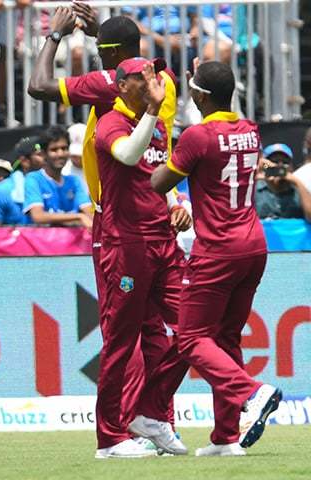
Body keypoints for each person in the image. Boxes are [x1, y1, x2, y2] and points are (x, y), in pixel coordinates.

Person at [28, 6, 185, 439]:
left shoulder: (107, 88)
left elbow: (37, 85)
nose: (99, 62)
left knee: (128, 336)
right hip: (152, 212)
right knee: (157, 335)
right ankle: (155, 420)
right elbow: (127, 61)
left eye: (101, 54)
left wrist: (56, 36)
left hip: (119, 220)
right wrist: (106, 34)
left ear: (112, 61)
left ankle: (128, 424)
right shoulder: (163, 82)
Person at [151, 60, 282, 456]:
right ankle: (226, 438)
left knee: (191, 338)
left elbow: (159, 183)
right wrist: (208, 79)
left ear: (200, 95)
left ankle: (252, 393)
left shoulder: (197, 136)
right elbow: (224, 110)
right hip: (254, 246)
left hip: (218, 248)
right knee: (226, 338)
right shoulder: (251, 131)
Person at [93, 58, 190, 458]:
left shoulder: (159, 125)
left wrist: (176, 202)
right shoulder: (110, 124)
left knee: (194, 329)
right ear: (121, 86)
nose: (153, 81)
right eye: (143, 76)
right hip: (126, 244)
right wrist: (152, 109)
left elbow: (158, 173)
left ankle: (149, 413)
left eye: (154, 74)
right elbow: (130, 156)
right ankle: (110, 438)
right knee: (120, 343)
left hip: (164, 241)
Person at [24, 125, 93, 227]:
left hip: (71, 242)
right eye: (54, 149)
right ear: (43, 154)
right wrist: (79, 217)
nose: (60, 154)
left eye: (64, 148)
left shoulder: (74, 181)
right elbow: (38, 216)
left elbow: (89, 213)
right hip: (42, 242)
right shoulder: (33, 179)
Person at [0, 137, 43, 226]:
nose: (46, 157)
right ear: (24, 161)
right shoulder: (0, 191)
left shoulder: (55, 185)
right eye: (40, 154)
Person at [254, 143, 311, 222]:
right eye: (274, 161)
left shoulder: (298, 190)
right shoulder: (255, 190)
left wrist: (297, 182)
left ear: (291, 166)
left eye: (285, 162)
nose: (280, 166)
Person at [64, 122, 87, 189]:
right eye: (74, 155)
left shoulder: (99, 170)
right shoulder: (62, 172)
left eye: (80, 155)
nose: (77, 158)